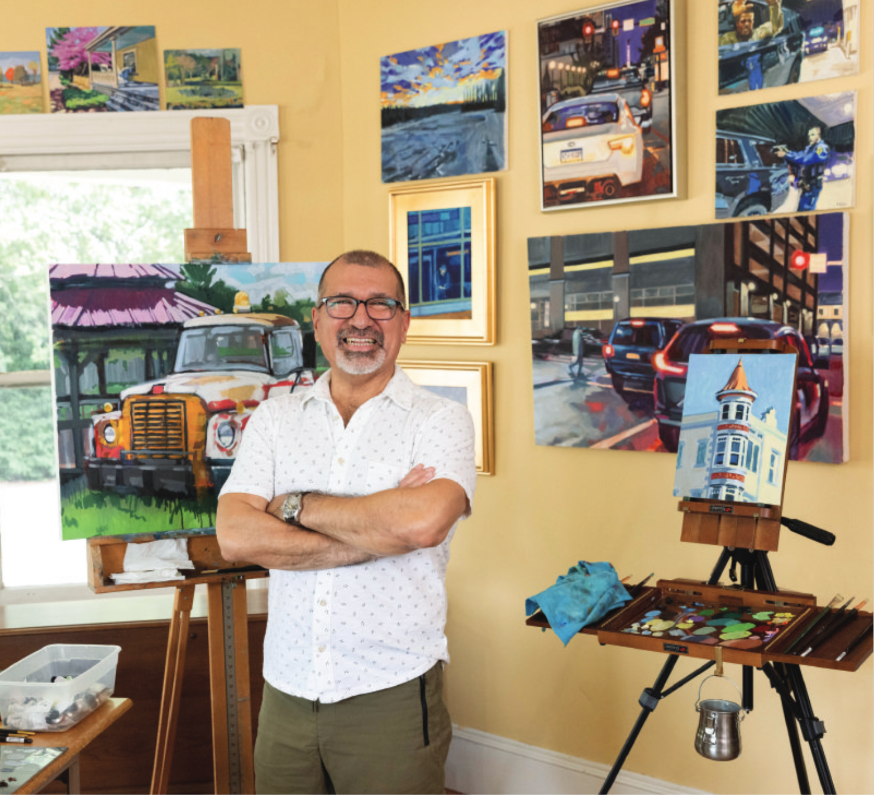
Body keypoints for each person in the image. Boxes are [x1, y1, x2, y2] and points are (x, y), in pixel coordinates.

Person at [216, 249, 476, 795]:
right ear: (317, 319)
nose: (361, 320)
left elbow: (424, 525)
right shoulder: (275, 418)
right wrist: (379, 530)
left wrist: (294, 505)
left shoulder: (440, 419)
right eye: (342, 303)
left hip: (391, 694)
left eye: (380, 305)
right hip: (285, 692)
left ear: (404, 323)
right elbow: (236, 536)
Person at [774, 125, 830, 211]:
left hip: (813, 185)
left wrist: (786, 154)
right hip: (807, 184)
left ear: (818, 136)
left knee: (806, 209)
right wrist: (787, 151)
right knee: (802, 207)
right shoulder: (810, 148)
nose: (809, 138)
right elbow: (800, 155)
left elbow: (808, 159)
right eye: (809, 135)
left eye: (812, 135)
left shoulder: (821, 148)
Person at [718, 0, 783, 46]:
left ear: (753, 22)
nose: (747, 24)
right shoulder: (726, 38)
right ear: (737, 23)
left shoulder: (758, 33)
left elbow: (775, 27)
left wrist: (774, 6)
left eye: (750, 20)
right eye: (743, 21)